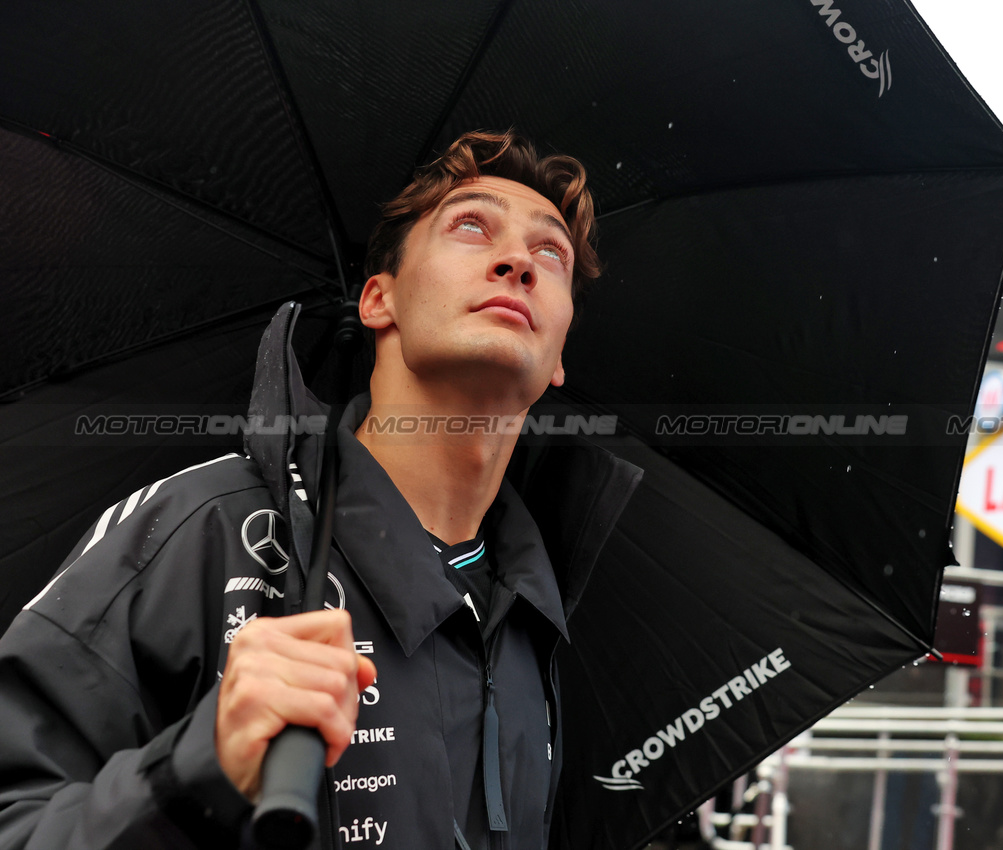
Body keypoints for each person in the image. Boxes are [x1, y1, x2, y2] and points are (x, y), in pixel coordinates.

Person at [0, 131, 642, 850]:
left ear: (557, 356)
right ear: (378, 299)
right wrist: (194, 770)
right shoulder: (199, 530)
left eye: (548, 253)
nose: (519, 261)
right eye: (471, 225)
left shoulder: (534, 606)